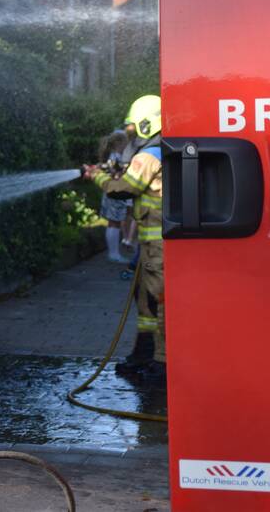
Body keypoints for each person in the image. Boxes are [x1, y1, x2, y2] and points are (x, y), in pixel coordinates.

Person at [83, 95, 165, 382]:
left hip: (158, 246)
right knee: (145, 302)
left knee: (158, 303)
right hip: (151, 245)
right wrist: (113, 171)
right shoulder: (157, 150)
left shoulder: (149, 155)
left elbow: (124, 189)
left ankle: (161, 364)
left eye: (133, 127)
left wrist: (97, 176)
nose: (131, 133)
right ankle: (143, 355)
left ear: (147, 124)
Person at [97, 131, 131, 263]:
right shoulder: (114, 157)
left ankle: (114, 253)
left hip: (113, 193)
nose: (126, 146)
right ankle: (114, 254)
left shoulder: (114, 157)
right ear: (118, 143)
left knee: (114, 223)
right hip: (114, 194)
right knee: (114, 223)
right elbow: (115, 175)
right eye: (125, 143)